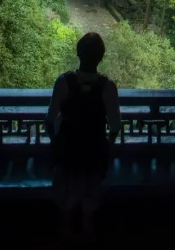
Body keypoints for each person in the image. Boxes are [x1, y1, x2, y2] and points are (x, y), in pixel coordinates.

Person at [45, 32, 120, 242]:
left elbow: (49, 120)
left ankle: (66, 227)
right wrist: (108, 145)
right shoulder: (108, 87)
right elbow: (115, 125)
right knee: (92, 191)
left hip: (68, 151)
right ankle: (88, 228)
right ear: (101, 57)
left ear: (78, 54)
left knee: (66, 189)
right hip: (94, 152)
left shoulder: (64, 82)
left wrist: (56, 143)